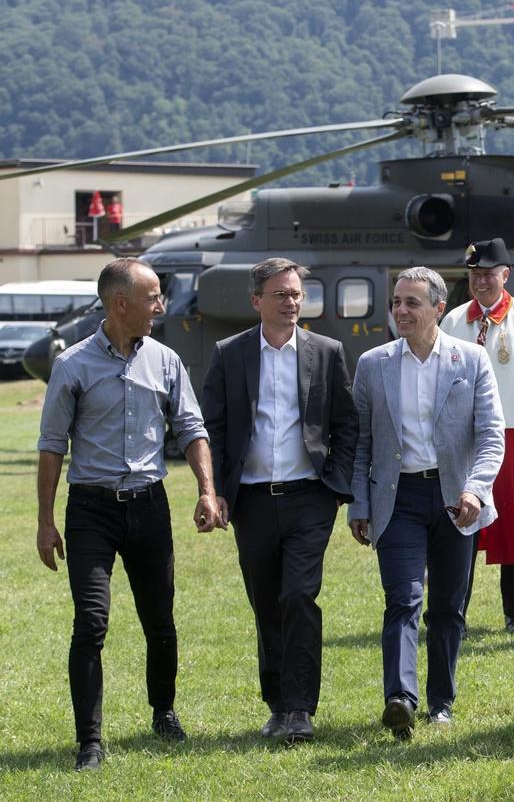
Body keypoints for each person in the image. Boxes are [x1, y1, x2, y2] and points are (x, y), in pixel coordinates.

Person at [36, 258, 219, 772]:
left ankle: (163, 712)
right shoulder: (72, 365)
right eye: (154, 296)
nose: (160, 305)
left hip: (149, 506)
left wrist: (207, 490)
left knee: (160, 622)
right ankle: (89, 741)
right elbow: (51, 446)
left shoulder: (165, 360)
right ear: (121, 304)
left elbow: (191, 428)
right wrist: (46, 521)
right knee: (91, 623)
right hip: (91, 510)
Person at [200, 258, 359, 744]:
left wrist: (336, 486)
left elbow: (347, 423)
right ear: (256, 301)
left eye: (296, 294)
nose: (292, 302)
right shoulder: (230, 354)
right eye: (281, 295)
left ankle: (300, 709)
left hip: (309, 498)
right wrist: (216, 491)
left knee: (298, 597)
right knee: (266, 603)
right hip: (250, 502)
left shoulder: (326, 351)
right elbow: (214, 428)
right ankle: (277, 706)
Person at [348, 267, 504, 740]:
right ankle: (399, 697)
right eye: (396, 301)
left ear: (439, 308)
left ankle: (441, 702)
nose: (401, 311)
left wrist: (476, 489)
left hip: (456, 498)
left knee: (448, 607)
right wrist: (359, 502)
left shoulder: (471, 360)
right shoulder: (373, 364)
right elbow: (360, 441)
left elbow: (491, 435)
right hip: (397, 496)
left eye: (412, 303)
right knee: (403, 598)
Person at [439, 238, 514, 632]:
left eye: (489, 274)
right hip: (463, 438)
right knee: (460, 527)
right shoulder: (454, 321)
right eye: (475, 274)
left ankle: (513, 613)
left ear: (506, 274)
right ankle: (455, 614)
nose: (482, 281)